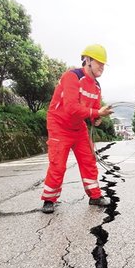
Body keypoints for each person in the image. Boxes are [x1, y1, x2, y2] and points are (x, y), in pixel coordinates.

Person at [40, 44, 114, 214]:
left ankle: (95, 196)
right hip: (59, 124)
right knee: (58, 164)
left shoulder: (96, 86)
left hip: (78, 126)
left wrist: (97, 118)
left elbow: (94, 111)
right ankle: (49, 199)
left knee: (89, 159)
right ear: (87, 60)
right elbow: (71, 107)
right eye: (99, 62)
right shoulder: (72, 77)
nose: (102, 67)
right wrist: (96, 112)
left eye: (104, 64)